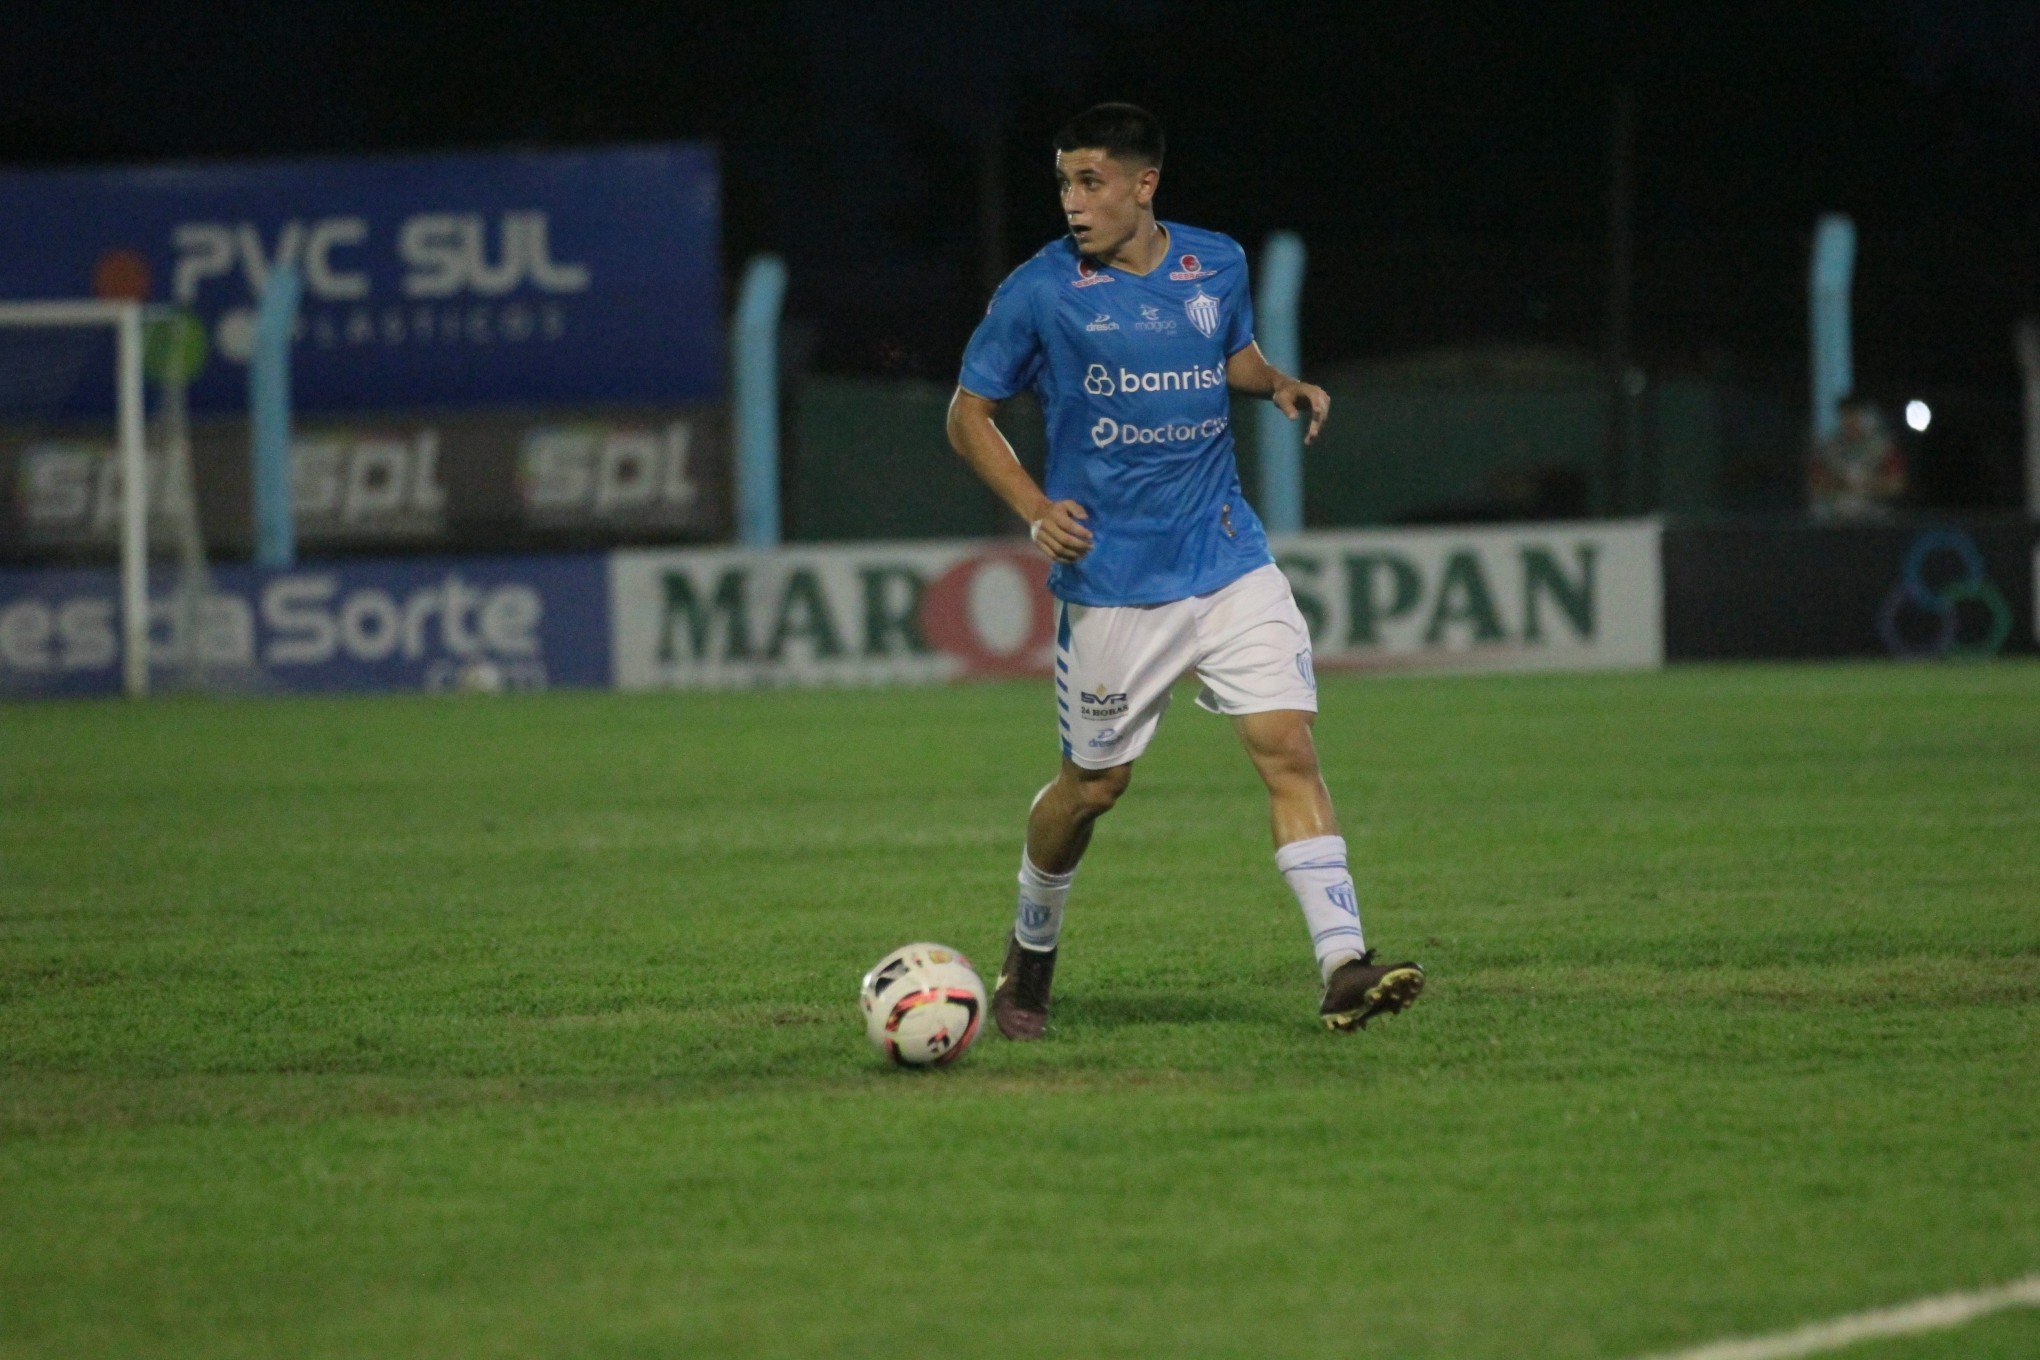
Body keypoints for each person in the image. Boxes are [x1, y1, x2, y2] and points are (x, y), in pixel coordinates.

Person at [945, 103, 1424, 1039]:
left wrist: (1276, 380)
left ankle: (1341, 965)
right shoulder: (1042, 289)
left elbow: (1227, 354)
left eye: (1090, 182)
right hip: (1117, 583)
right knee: (1092, 790)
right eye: (1063, 183)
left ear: (1144, 185)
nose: (1073, 203)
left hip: (1227, 556)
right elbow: (968, 415)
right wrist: (1037, 510)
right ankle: (1030, 950)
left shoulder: (1218, 262)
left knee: (1288, 748)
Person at [1808, 396, 1906, 521]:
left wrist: (1868, 482)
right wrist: (1842, 482)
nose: (1851, 421)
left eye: (1856, 415)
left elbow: (1898, 485)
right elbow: (1815, 485)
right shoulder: (1827, 448)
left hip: (1874, 513)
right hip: (1836, 516)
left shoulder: (1884, 448)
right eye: (1846, 415)